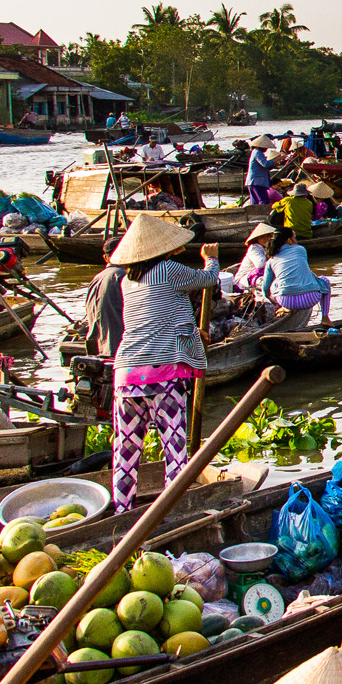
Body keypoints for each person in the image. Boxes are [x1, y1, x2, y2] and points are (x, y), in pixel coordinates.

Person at [107, 216, 220, 513]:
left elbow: (157, 319)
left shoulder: (127, 281)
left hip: (126, 373)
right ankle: (173, 509)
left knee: (126, 450)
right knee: (174, 448)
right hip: (161, 374)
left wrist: (195, 333)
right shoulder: (168, 270)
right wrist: (211, 259)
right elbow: (209, 280)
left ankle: (121, 509)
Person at [260, 227, 332, 326]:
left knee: (274, 284)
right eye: (295, 238)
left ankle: (285, 308)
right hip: (310, 299)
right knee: (325, 280)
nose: (297, 240)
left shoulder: (271, 260)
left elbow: (265, 288)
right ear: (289, 240)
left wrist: (273, 302)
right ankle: (325, 318)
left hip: (286, 301)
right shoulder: (300, 249)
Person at [82, 239, 127, 355]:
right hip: (117, 349)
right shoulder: (124, 277)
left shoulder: (96, 278)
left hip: (97, 347)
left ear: (105, 258)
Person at [234, 223, 276, 291]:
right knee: (260, 271)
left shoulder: (270, 248)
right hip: (241, 283)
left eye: (268, 236)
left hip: (257, 280)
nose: (266, 239)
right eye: (262, 237)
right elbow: (260, 264)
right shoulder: (254, 248)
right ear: (257, 239)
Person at [244, 135, 276, 205]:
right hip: (257, 182)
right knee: (264, 200)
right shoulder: (257, 152)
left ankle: (253, 214)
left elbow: (265, 166)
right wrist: (275, 161)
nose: (266, 149)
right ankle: (262, 215)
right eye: (265, 147)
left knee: (255, 202)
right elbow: (265, 164)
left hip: (254, 181)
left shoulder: (255, 152)